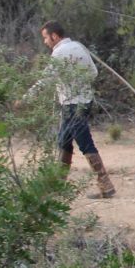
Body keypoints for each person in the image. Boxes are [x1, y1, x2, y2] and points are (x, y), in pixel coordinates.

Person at [23, 20, 116, 199]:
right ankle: (59, 185)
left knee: (84, 142)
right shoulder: (79, 47)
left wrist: (26, 98)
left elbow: (46, 80)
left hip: (73, 104)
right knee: (64, 140)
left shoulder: (58, 52)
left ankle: (106, 185)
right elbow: (94, 73)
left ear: (54, 36)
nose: (45, 42)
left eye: (46, 38)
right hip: (83, 101)